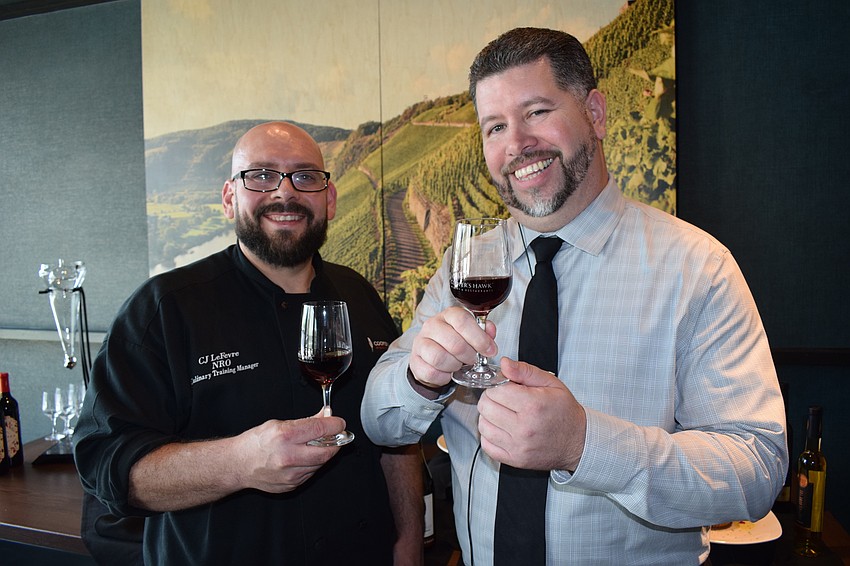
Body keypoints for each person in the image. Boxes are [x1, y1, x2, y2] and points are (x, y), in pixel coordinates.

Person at [362, 27, 787, 565]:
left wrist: (585, 445)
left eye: (537, 112)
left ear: (596, 114)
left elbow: (757, 467)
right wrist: (418, 379)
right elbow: (379, 420)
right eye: (495, 127)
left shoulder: (696, 267)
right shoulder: (463, 268)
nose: (516, 144)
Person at [74, 122, 423, 565]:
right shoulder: (164, 308)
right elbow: (107, 464)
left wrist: (409, 545)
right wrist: (238, 462)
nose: (285, 192)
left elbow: (396, 440)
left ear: (330, 199)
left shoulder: (359, 294)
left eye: (305, 176)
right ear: (229, 198)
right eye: (260, 175)